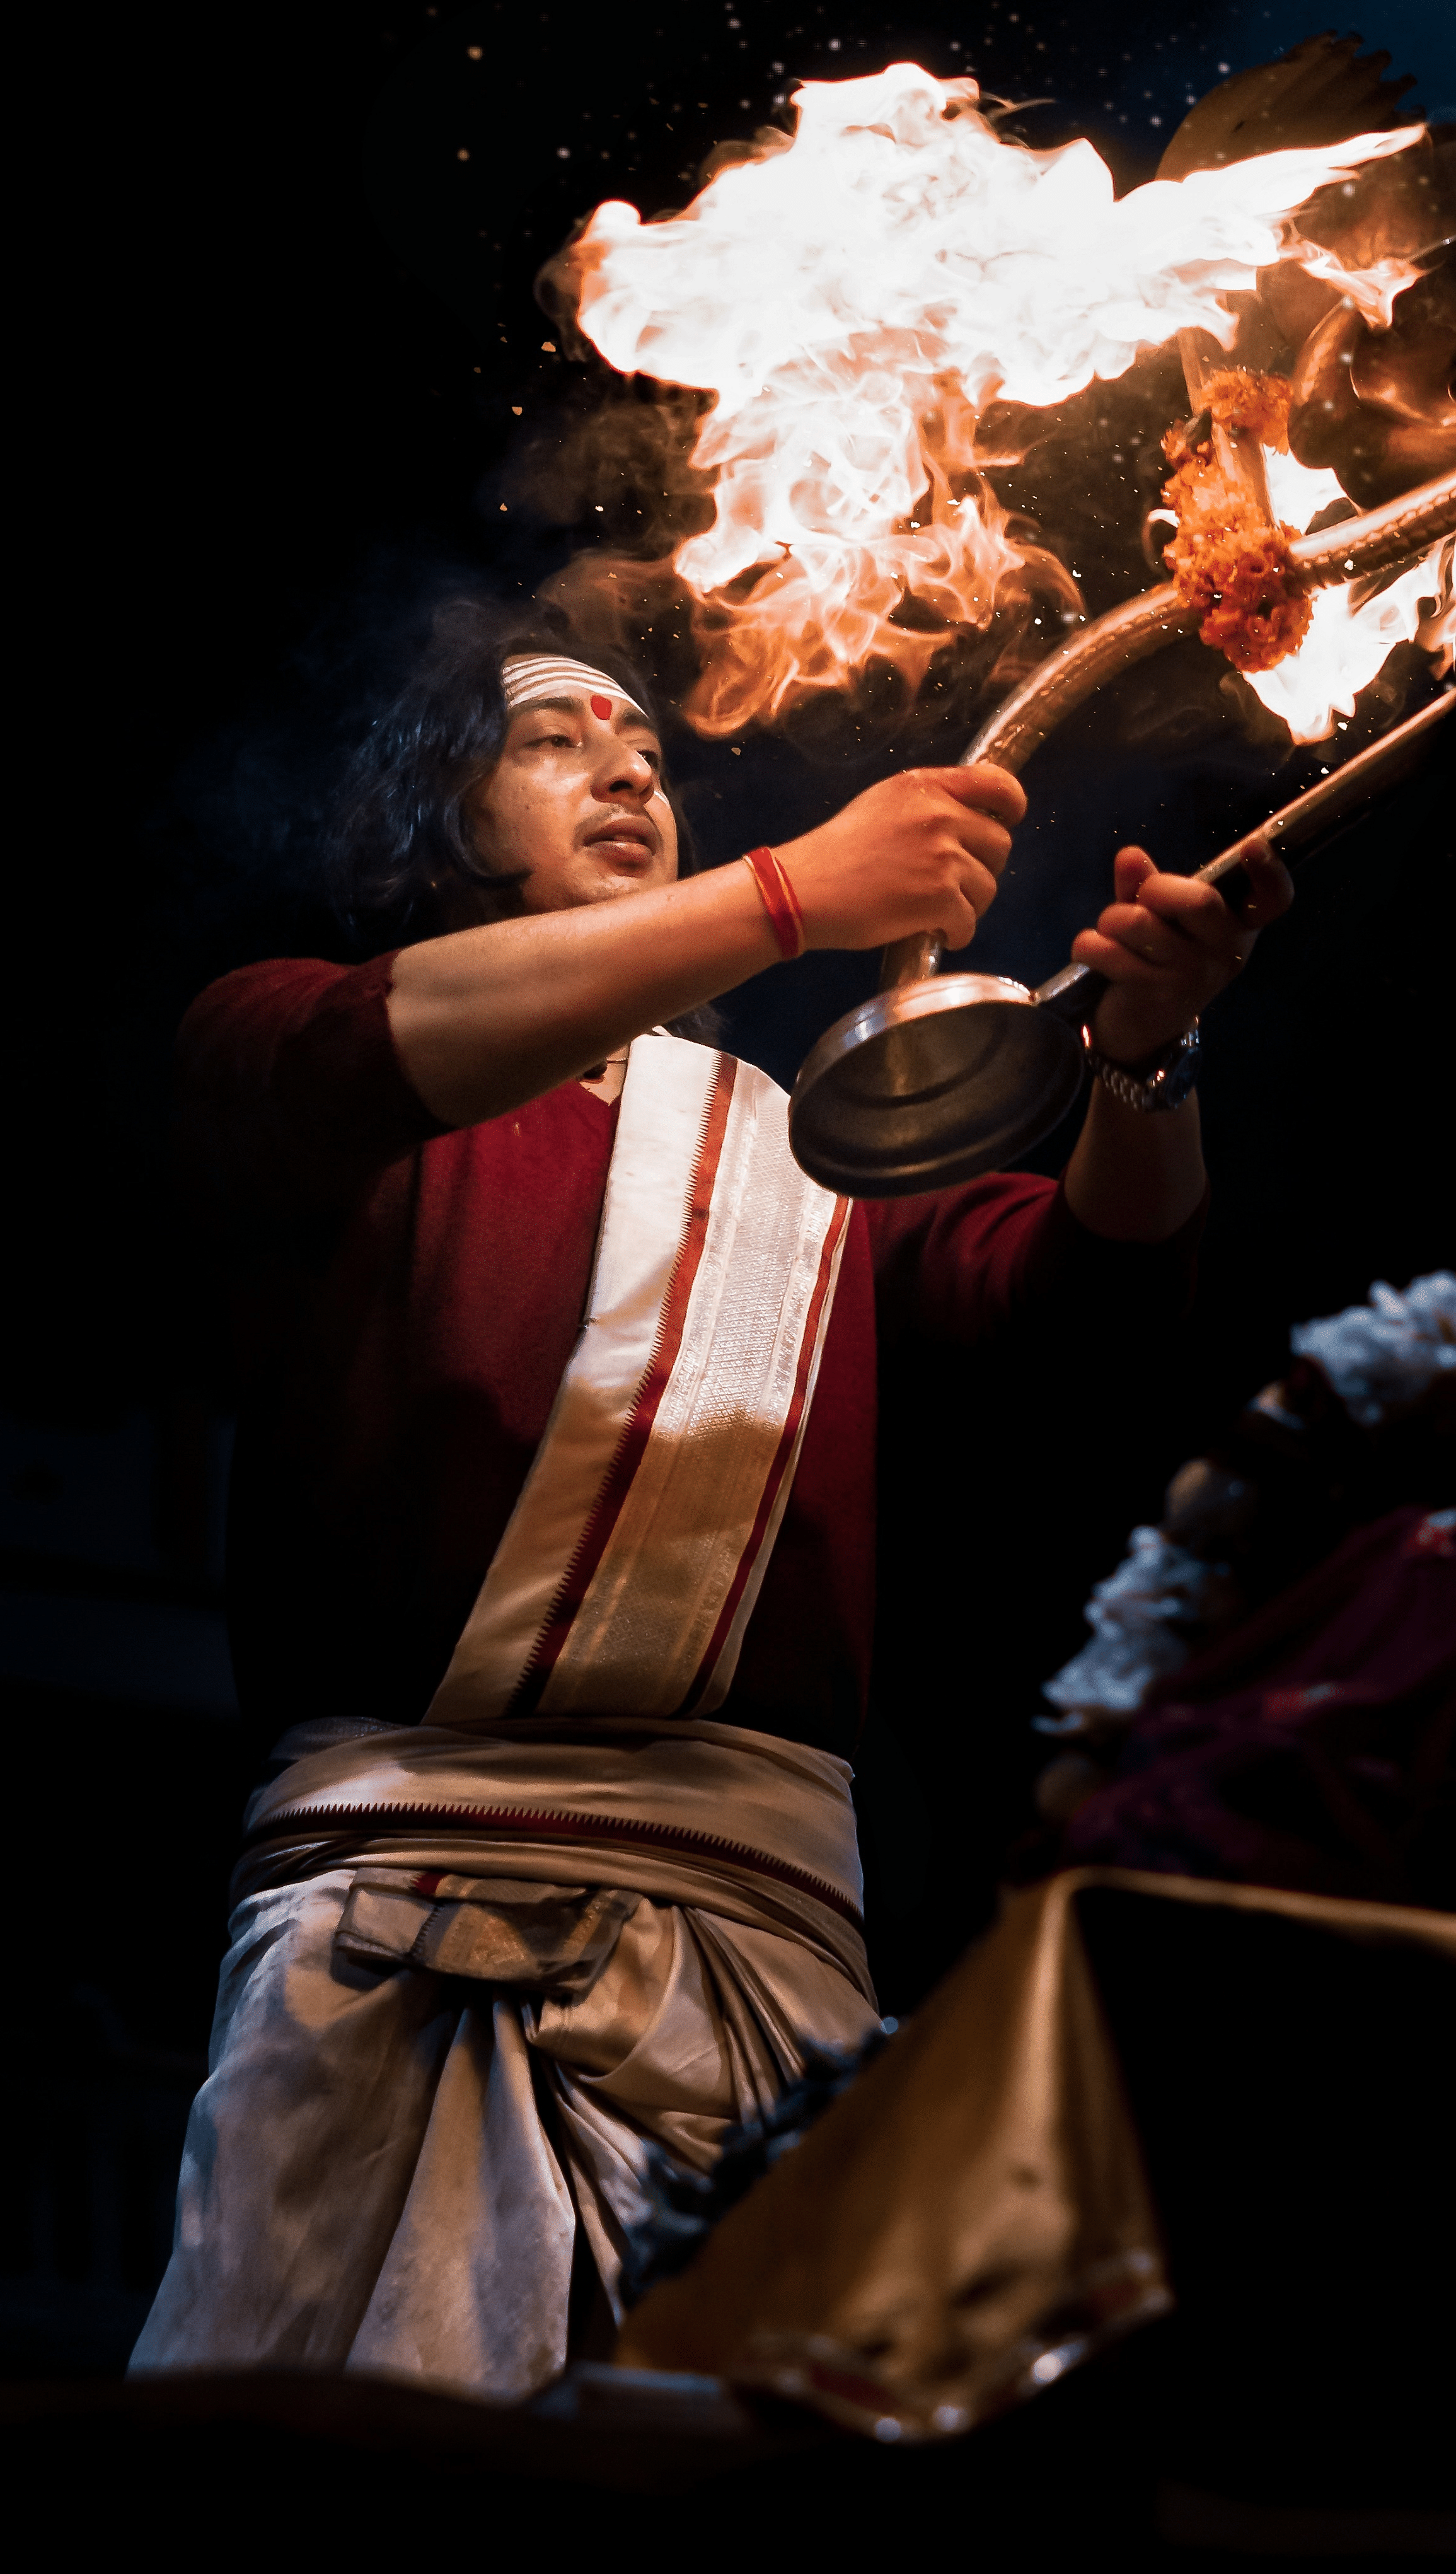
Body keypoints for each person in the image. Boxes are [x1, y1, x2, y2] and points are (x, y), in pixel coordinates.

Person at [130, 606, 1290, 2395]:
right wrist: (791, 894)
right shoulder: (294, 1049)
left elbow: (1089, 1315)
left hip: (755, 1956)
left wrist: (1143, 1058)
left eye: (653, 754)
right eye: (554, 740)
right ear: (449, 816)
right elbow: (370, 1052)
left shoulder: (806, 1141)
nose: (625, 770)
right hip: (389, 1937)